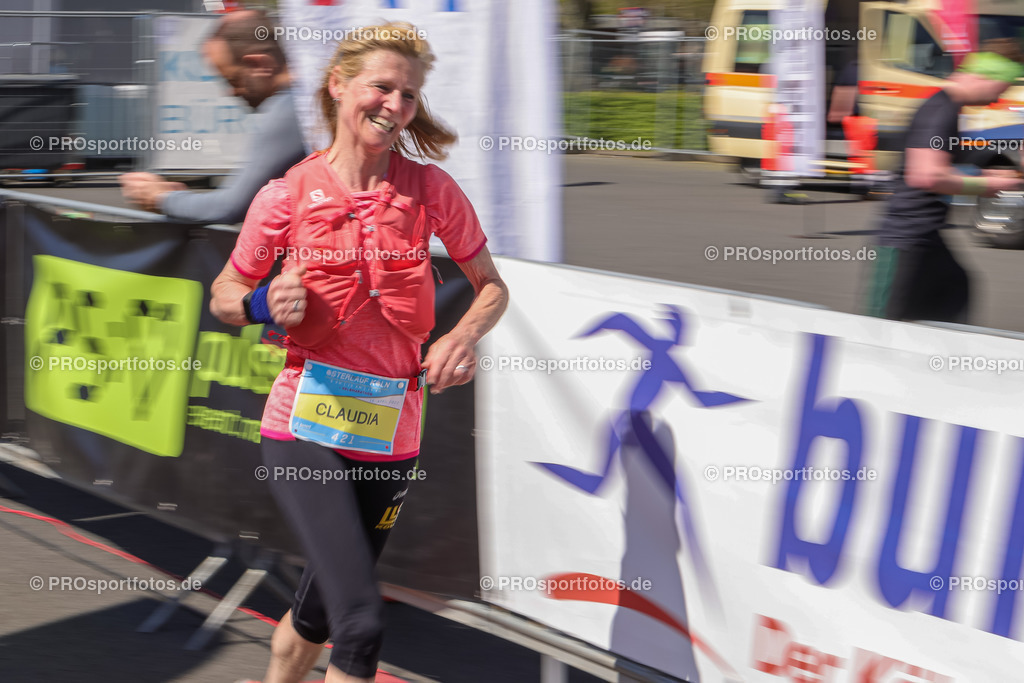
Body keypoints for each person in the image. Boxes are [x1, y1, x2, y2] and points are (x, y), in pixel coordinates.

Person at [210, 22, 509, 683]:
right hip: (303, 426)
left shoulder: (431, 191)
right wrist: (265, 303)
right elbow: (225, 293)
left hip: (391, 433)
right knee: (361, 626)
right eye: (382, 87)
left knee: (316, 619)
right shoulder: (287, 194)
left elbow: (493, 287)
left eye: (408, 94)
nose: (395, 106)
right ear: (339, 84)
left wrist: (460, 336)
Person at [866, 41, 1024, 323]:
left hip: (928, 238)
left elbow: (959, 156)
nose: (997, 100)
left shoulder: (950, 110)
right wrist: (985, 185)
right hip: (905, 241)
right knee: (882, 328)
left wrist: (1007, 166)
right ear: (984, 77)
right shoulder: (940, 110)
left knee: (956, 290)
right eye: (999, 90)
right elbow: (927, 175)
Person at [120, 9, 306, 224]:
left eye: (233, 80)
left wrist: (159, 197)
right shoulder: (302, 97)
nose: (231, 92)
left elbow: (228, 207)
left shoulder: (287, 110)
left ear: (259, 65)